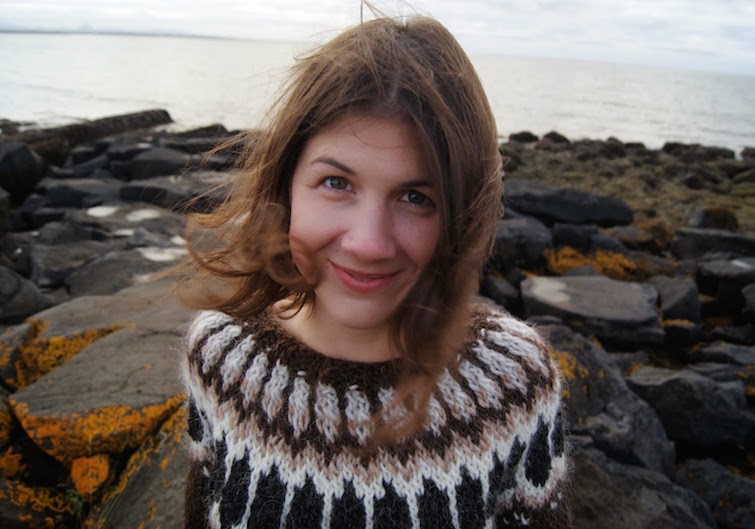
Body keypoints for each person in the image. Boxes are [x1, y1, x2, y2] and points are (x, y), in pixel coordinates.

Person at [180, 12, 571, 529]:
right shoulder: (220, 359)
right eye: (337, 183)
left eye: (416, 197)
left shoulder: (514, 384)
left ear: (463, 216)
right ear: (286, 186)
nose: (367, 244)